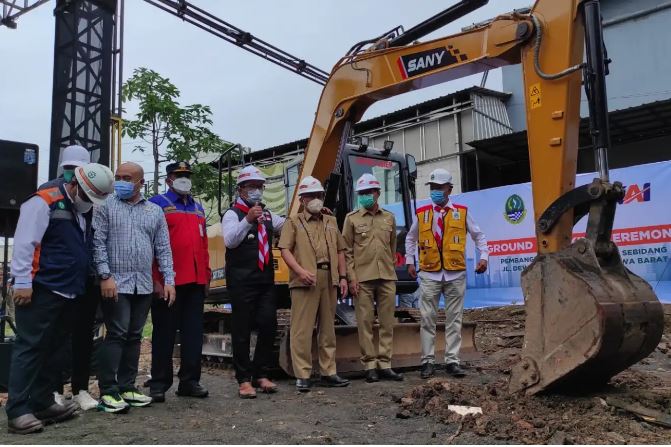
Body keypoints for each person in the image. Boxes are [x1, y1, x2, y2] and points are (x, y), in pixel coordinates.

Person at [6, 163, 113, 434]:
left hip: (69, 292)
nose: (89, 203)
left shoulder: (82, 210)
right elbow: (24, 243)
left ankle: (43, 402)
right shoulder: (44, 202)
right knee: (30, 348)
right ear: (75, 185)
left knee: (56, 349)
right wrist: (22, 282)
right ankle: (18, 410)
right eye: (87, 197)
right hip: (41, 289)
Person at [92, 162, 176, 413]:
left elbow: (163, 248)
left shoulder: (154, 212)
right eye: (118, 177)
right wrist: (105, 276)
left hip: (143, 285)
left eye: (127, 178)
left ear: (141, 182)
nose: (121, 181)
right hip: (117, 283)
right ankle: (108, 390)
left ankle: (127, 387)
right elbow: (98, 242)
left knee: (135, 336)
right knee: (117, 333)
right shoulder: (105, 206)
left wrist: (169, 279)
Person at [405, 168, 488, 379]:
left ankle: (452, 361)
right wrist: (409, 260)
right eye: (432, 188)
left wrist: (484, 257)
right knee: (427, 319)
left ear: (449, 189)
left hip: (455, 273)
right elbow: (410, 238)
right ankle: (427, 362)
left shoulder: (462, 212)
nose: (435, 191)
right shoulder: (422, 214)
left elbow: (479, 236)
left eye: (439, 188)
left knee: (454, 319)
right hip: (430, 274)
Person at [38, 144, 99, 411]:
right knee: (54, 337)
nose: (73, 174)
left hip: (86, 276)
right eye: (69, 169)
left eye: (78, 169)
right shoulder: (47, 192)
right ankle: (52, 390)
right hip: (55, 278)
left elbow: (97, 236)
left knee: (83, 334)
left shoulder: (95, 193)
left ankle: (81, 388)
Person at [279, 176, 350, 392]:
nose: (316, 199)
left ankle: (329, 371)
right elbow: (284, 250)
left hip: (329, 279)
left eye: (319, 195)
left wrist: (343, 276)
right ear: (302, 199)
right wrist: (299, 272)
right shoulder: (293, 223)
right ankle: (303, 373)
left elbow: (340, 251)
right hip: (305, 280)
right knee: (302, 329)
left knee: (328, 329)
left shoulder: (331, 221)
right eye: (311, 196)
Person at [147, 161, 210, 402]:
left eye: (186, 175)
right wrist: (156, 279)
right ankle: (159, 383)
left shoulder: (198, 208)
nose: (184, 178)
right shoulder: (157, 205)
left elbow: (203, 246)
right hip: (168, 282)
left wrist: (205, 275)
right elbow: (151, 245)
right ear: (168, 179)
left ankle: (190, 381)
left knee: (193, 334)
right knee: (164, 333)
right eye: (178, 175)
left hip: (195, 281)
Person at [221, 165, 285, 399]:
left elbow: (287, 226)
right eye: (251, 186)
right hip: (241, 282)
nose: (256, 190)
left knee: (268, 325)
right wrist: (248, 220)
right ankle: (243, 379)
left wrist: (312, 213)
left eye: (259, 186)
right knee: (242, 330)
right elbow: (230, 241)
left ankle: (261, 373)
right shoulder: (232, 214)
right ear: (240, 189)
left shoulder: (268, 215)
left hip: (265, 280)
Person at [342, 174, 403, 383]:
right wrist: (352, 278)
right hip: (363, 278)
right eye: (362, 193)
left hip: (386, 276)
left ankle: (385, 363)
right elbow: (347, 251)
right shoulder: (352, 219)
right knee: (365, 322)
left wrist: (390, 267)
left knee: (387, 323)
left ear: (377, 193)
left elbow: (392, 245)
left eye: (369, 192)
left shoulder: (389, 218)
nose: (365, 196)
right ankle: (369, 365)